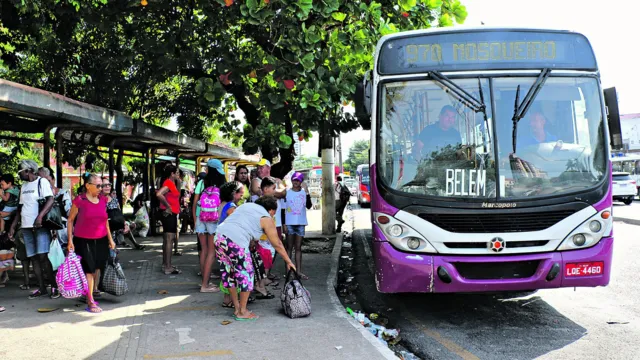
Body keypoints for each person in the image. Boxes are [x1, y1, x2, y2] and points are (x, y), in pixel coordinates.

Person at [215, 196, 296, 321]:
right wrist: (289, 261)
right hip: (236, 241)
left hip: (219, 237)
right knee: (246, 274)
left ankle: (237, 308)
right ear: (270, 210)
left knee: (229, 273)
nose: (273, 216)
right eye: (274, 213)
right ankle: (242, 311)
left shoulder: (245, 206)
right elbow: (277, 244)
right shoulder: (266, 217)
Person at [8, 160, 60, 299]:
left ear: (29, 170)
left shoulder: (41, 182)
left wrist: (40, 217)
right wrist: (14, 225)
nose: (19, 175)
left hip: (40, 226)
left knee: (43, 257)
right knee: (34, 258)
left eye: (21, 172)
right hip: (26, 226)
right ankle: (42, 288)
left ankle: (54, 286)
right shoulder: (23, 186)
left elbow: (50, 200)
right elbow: (20, 208)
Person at [67, 173, 115, 313]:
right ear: (88, 186)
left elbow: (105, 221)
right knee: (89, 269)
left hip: (100, 240)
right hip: (83, 240)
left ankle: (89, 293)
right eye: (98, 185)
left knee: (96, 269)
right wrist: (70, 240)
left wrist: (110, 239)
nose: (101, 188)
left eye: (102, 185)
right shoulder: (79, 200)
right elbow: (70, 220)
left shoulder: (103, 200)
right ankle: (90, 301)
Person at [192, 159, 226, 292]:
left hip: (201, 218)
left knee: (204, 251)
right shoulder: (221, 185)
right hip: (213, 220)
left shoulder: (202, 182)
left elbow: (195, 203)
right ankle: (205, 285)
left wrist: (195, 219)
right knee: (212, 252)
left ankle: (204, 282)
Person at [217, 181, 248, 308]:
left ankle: (227, 299)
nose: (242, 196)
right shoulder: (231, 207)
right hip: (229, 241)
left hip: (221, 240)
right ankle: (232, 300)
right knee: (235, 271)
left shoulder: (223, 204)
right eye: (240, 193)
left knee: (227, 271)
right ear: (234, 193)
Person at [283, 172, 311, 280]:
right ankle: (288, 272)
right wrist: (284, 224)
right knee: (289, 248)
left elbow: (309, 206)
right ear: (291, 180)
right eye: (294, 180)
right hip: (289, 223)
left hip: (301, 223)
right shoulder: (287, 193)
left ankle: (298, 272)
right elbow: (283, 209)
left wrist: (307, 192)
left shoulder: (304, 193)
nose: (296, 182)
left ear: (301, 182)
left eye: (298, 180)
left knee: (298, 248)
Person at [103, 179, 144, 250]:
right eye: (104, 185)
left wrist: (124, 222)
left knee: (127, 227)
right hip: (108, 224)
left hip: (116, 221)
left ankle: (133, 243)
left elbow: (119, 211)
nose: (107, 187)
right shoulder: (100, 200)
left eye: (109, 185)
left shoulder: (114, 199)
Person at [156, 164, 182, 275]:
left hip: (171, 213)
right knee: (169, 239)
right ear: (172, 174)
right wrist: (168, 206)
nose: (178, 174)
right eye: (176, 173)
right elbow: (159, 194)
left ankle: (166, 264)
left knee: (167, 239)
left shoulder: (172, 183)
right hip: (169, 214)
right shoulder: (168, 183)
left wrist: (179, 183)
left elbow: (176, 196)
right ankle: (167, 266)